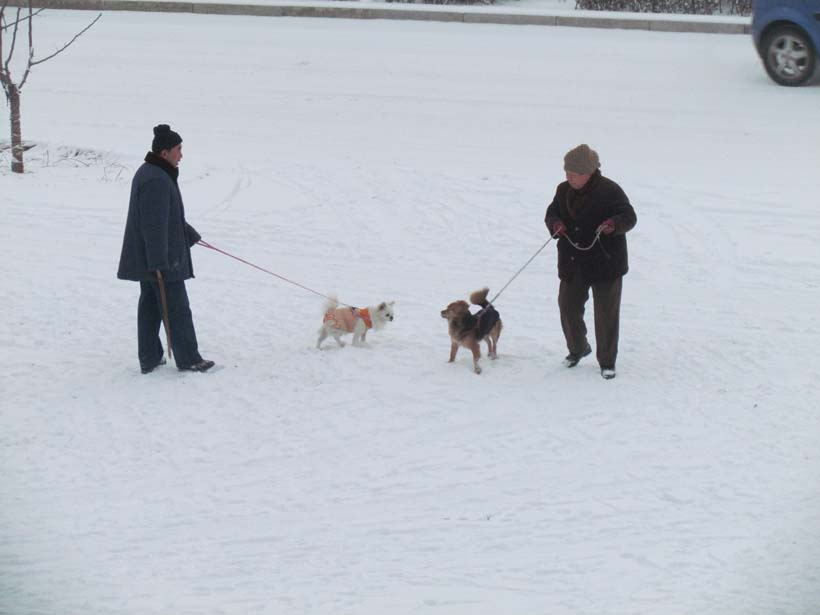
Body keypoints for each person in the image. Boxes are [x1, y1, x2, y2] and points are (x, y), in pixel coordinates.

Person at [117, 124, 214, 374]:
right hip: (161, 259)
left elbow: (166, 216)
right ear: (164, 153)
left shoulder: (155, 173)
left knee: (150, 307)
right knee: (177, 308)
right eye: (178, 149)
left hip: (150, 257)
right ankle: (189, 358)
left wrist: (188, 234)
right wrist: (159, 263)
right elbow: (153, 225)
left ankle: (149, 357)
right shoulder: (156, 179)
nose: (181, 154)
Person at [544, 144, 636, 380]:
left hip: (605, 263)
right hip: (573, 261)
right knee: (567, 307)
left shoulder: (610, 190)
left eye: (572, 174)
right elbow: (551, 212)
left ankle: (607, 361)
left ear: (587, 173)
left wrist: (613, 225)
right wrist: (555, 224)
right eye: (566, 173)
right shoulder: (563, 189)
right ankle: (578, 349)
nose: (568, 177)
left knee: (606, 315)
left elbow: (629, 217)